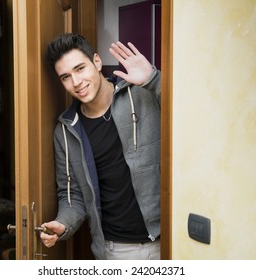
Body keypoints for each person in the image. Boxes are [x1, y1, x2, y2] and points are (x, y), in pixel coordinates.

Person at [40, 33, 161, 260]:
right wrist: (62, 224)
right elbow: (72, 196)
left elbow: (188, 113)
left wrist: (153, 80)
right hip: (116, 250)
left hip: (169, 238)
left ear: (97, 62)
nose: (76, 82)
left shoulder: (142, 94)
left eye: (80, 69)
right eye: (66, 77)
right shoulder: (66, 131)